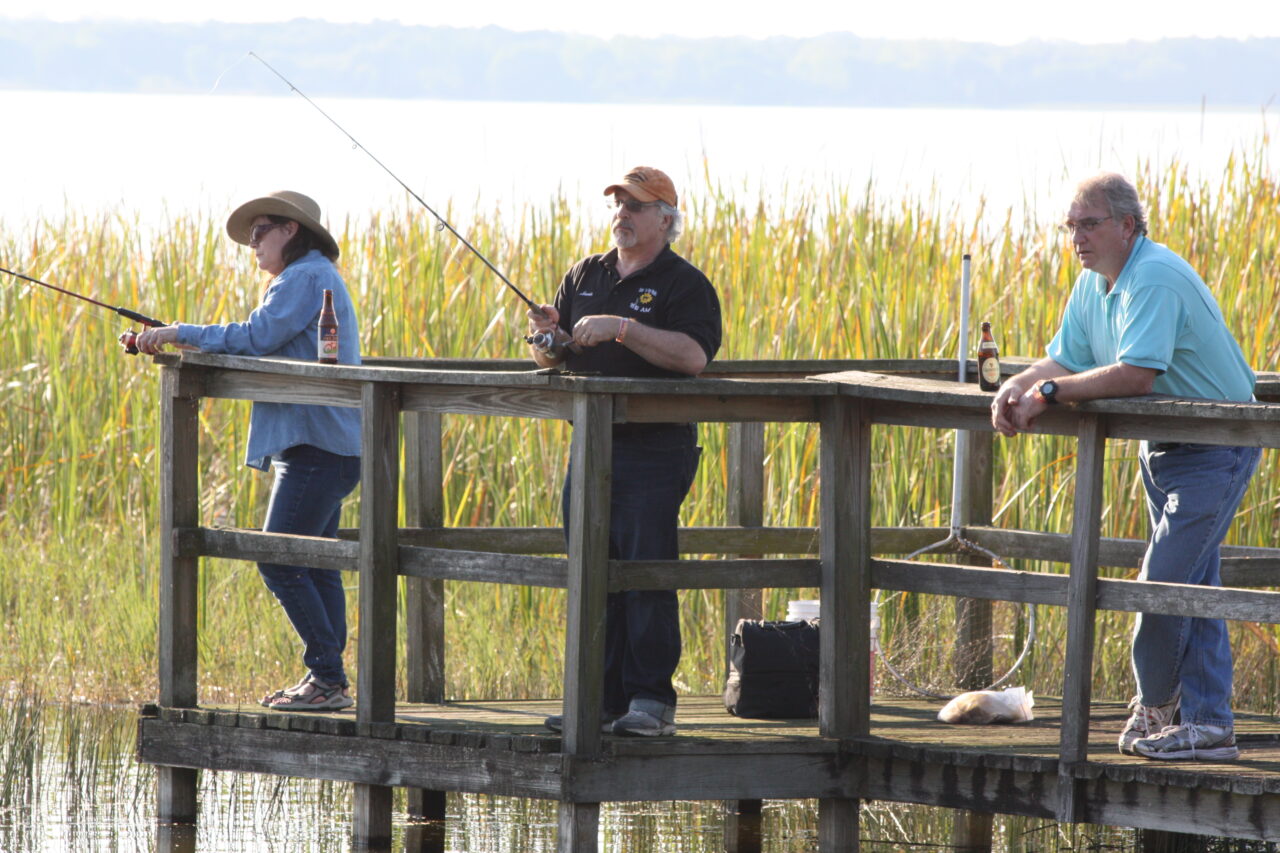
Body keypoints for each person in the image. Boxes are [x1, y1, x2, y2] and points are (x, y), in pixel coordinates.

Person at [991, 172, 1259, 761]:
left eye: (1089, 224)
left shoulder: (1154, 276)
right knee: (1193, 582)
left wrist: (1054, 393)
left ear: (1128, 226)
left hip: (1217, 445)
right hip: (1163, 448)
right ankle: (1208, 723)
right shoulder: (1095, 283)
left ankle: (1158, 707)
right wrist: (1017, 384)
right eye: (1071, 227)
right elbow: (1064, 357)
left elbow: (1137, 373)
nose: (1077, 238)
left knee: (1162, 586)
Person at [136, 190, 362, 712]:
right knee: (316, 561)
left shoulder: (305, 277)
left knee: (278, 558)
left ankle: (327, 679)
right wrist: (188, 341)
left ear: (291, 230)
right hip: (327, 444)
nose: (253, 244)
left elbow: (257, 337)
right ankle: (330, 681)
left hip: (316, 446)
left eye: (261, 231)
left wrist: (180, 332)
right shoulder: (306, 278)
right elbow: (263, 340)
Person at [528, 166, 722, 737]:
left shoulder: (684, 283)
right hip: (589, 447)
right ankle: (598, 700)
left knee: (645, 576)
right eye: (618, 204)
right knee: (589, 573)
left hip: (655, 450)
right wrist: (548, 340)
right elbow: (555, 356)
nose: (622, 215)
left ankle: (650, 704)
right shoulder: (586, 272)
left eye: (635, 206)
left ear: (666, 218)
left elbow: (693, 357)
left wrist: (622, 328)